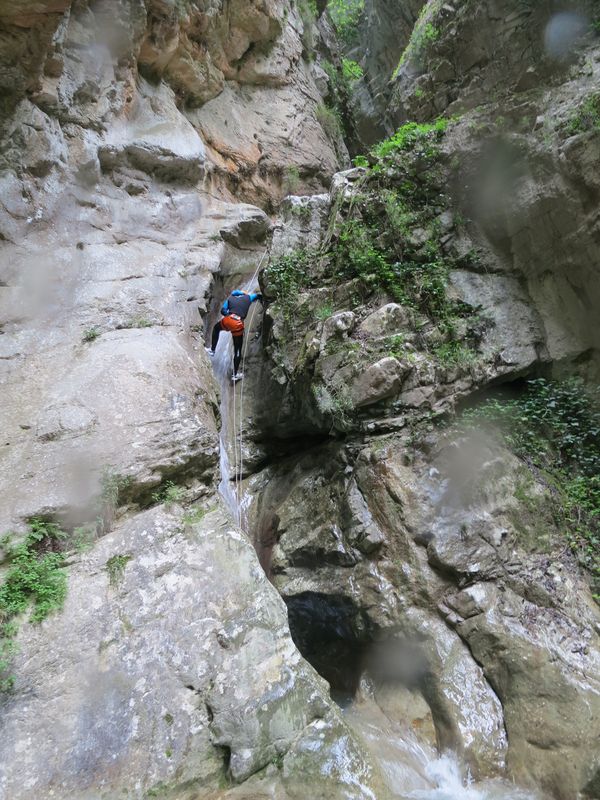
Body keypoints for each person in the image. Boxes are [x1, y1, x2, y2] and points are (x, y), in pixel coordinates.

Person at [206, 289, 262, 381]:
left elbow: (223, 311)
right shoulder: (249, 297)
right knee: (237, 349)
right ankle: (235, 375)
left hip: (228, 320)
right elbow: (258, 296)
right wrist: (261, 299)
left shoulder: (230, 298)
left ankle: (212, 350)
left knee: (216, 329)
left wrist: (230, 315)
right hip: (238, 324)